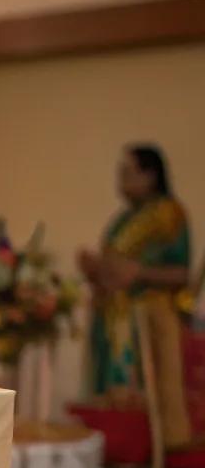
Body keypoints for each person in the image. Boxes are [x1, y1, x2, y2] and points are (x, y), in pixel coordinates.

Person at [80, 143, 193, 445]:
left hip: (150, 325)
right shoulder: (123, 218)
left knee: (148, 411)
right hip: (115, 321)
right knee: (113, 419)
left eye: (128, 172)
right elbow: (115, 272)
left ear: (152, 175)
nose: (122, 180)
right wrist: (96, 269)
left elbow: (183, 274)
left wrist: (139, 273)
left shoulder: (169, 214)